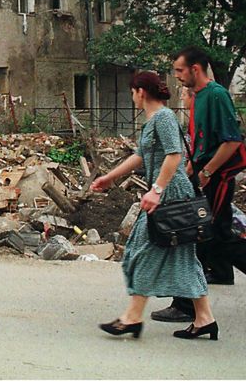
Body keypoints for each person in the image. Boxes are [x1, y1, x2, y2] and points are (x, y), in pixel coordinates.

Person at [89, 71, 219, 341]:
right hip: (164, 192)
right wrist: (110, 177)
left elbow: (174, 154)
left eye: (133, 92)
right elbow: (140, 156)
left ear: (141, 91)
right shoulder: (152, 120)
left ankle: (132, 318)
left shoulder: (164, 117)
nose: (132, 97)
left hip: (171, 193)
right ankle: (205, 319)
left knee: (141, 250)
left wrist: (157, 190)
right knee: (182, 257)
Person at [151, 46, 246, 324]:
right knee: (210, 234)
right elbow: (202, 141)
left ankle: (187, 304)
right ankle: (220, 273)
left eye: (179, 70)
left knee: (205, 234)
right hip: (204, 172)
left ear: (195, 69)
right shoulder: (198, 96)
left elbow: (232, 140)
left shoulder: (216, 95)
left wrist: (208, 171)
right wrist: (190, 169)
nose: (176, 76)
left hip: (218, 175)